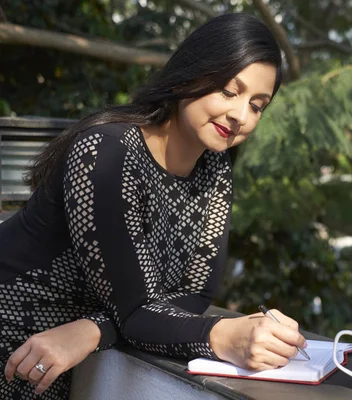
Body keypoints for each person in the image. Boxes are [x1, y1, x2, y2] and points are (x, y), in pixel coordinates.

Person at [0, 12, 307, 399]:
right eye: (229, 91)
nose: (240, 115)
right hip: (13, 341)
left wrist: (91, 329)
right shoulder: (108, 153)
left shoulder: (214, 171)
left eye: (257, 105)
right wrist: (223, 335)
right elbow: (139, 310)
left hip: (66, 354)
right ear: (191, 73)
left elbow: (195, 294)